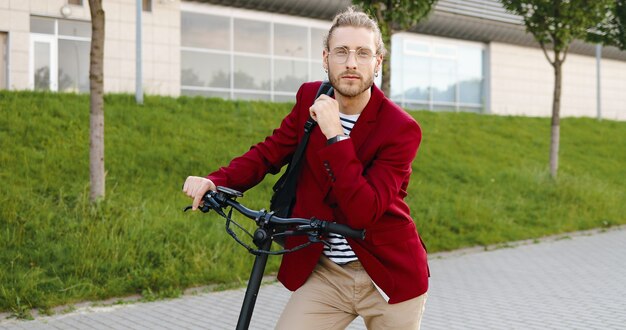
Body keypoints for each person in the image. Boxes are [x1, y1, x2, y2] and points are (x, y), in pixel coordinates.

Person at [183, 6, 429, 330]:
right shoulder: (309, 98)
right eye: (341, 52)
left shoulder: (400, 129)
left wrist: (336, 136)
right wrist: (216, 181)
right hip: (326, 272)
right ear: (326, 58)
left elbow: (363, 210)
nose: (351, 63)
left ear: (377, 62)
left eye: (362, 53)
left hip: (386, 275)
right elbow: (269, 153)